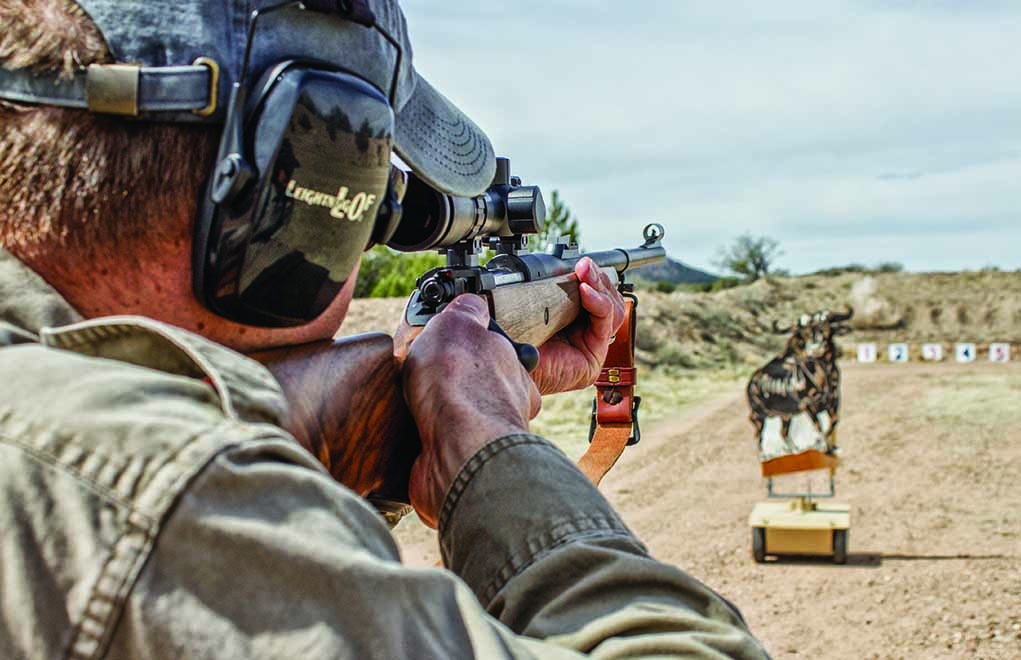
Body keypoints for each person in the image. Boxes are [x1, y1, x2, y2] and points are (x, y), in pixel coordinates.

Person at [0, 0, 770, 658]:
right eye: (371, 195)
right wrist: (485, 434)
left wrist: (398, 420)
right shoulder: (159, 489)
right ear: (296, 204)